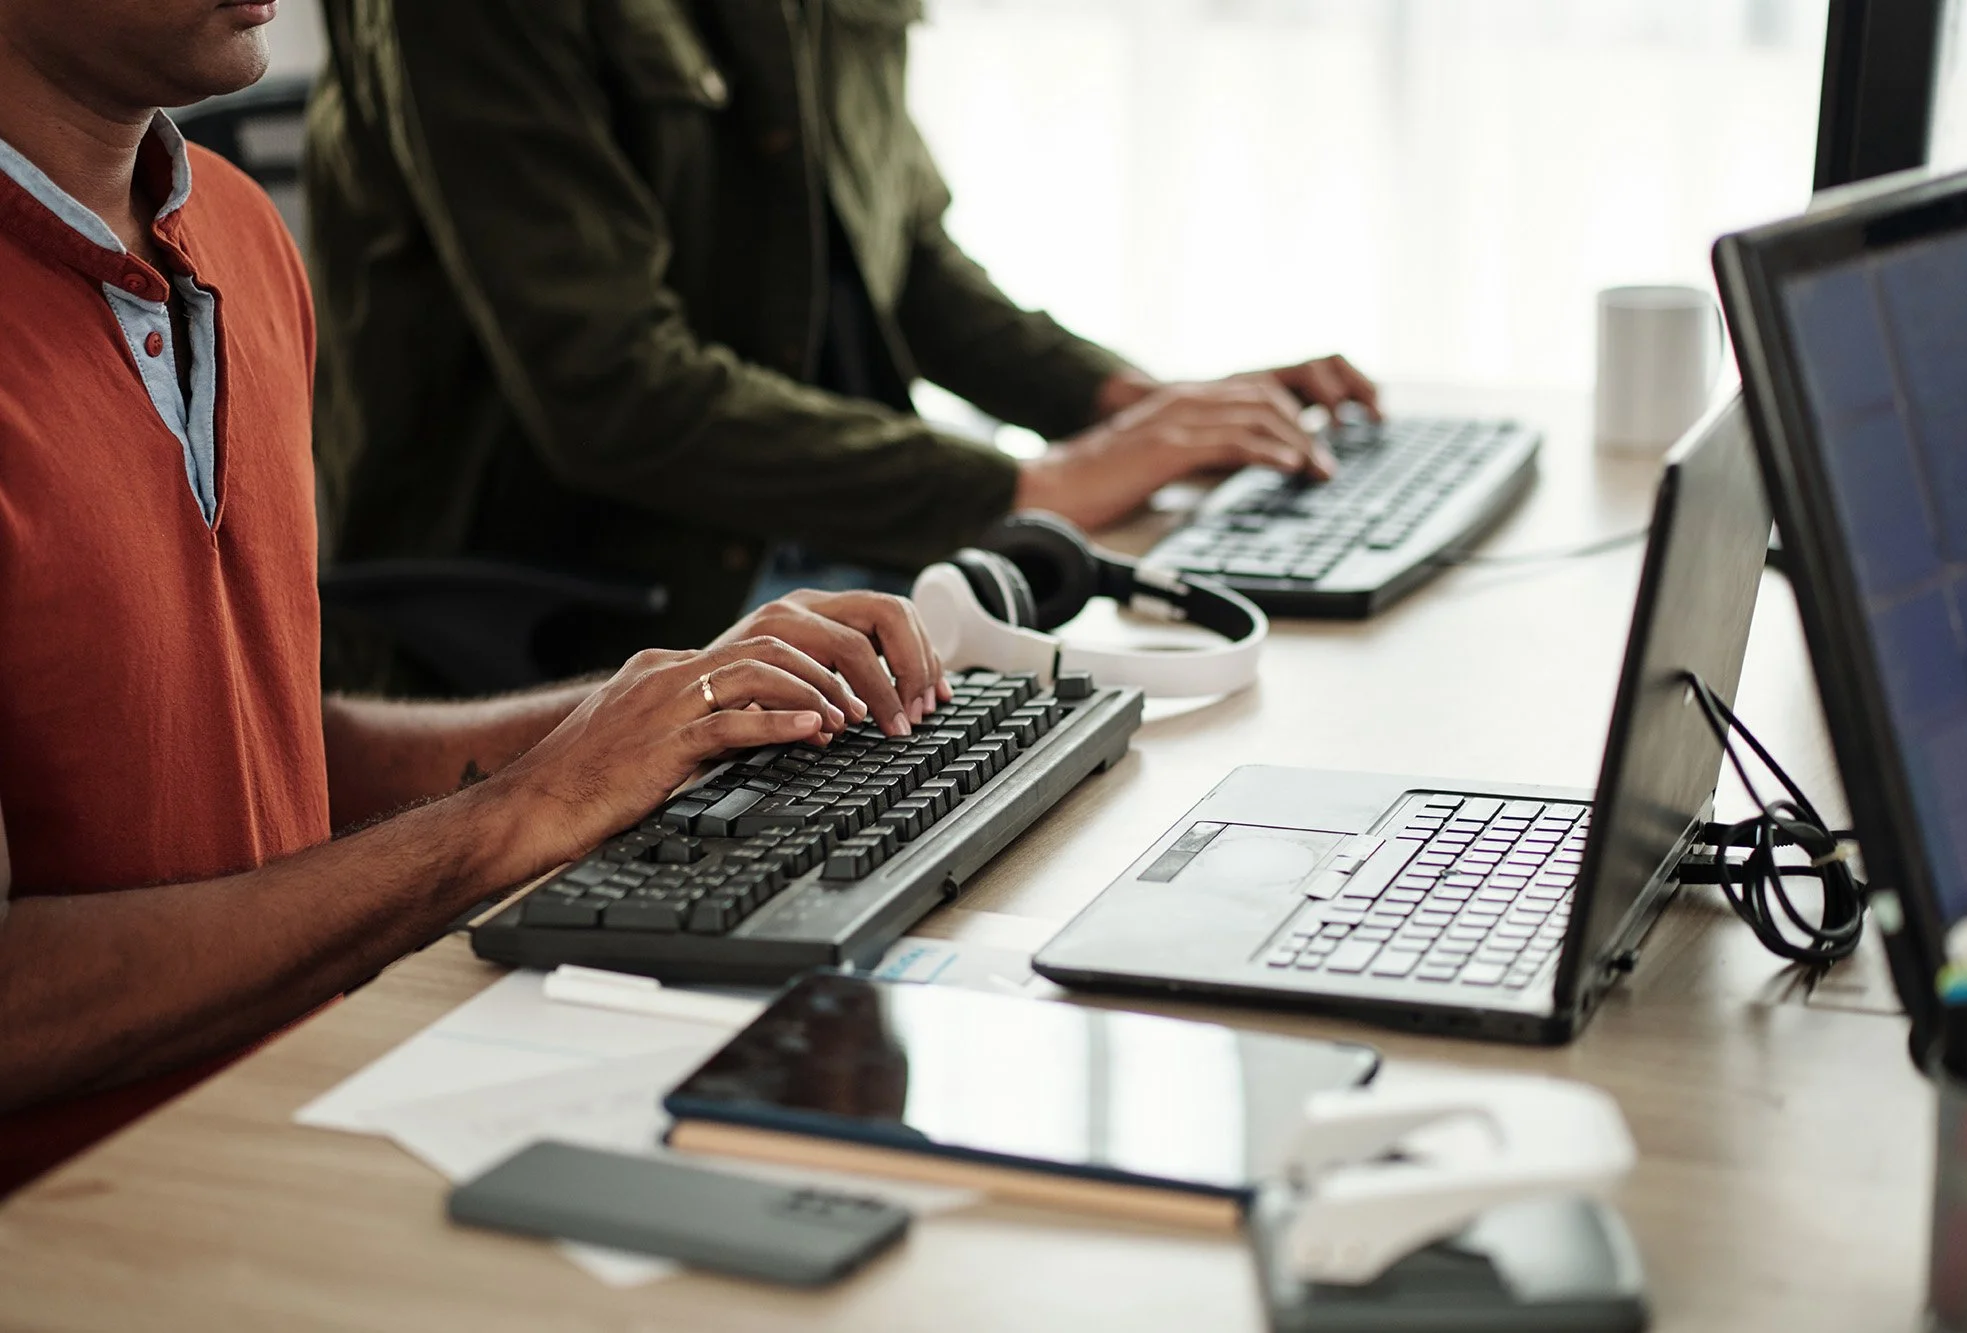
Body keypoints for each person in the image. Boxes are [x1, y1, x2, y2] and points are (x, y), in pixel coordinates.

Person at [0, 0, 950, 1196]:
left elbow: (253, 753)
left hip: (313, 1097)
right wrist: (507, 818)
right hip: (87, 1222)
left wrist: (640, 720)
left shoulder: (234, 233)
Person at [307, 0, 1382, 686]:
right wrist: (1031, 485)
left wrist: (1135, 410)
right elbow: (615, 391)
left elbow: (900, 260)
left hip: (821, 557)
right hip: (589, 612)